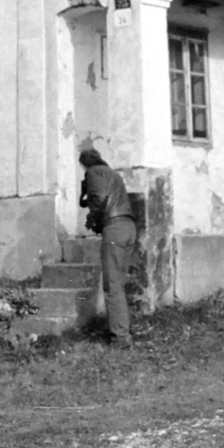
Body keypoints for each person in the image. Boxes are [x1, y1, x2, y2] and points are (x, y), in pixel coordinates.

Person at [79, 148, 137, 347]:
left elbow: (100, 198)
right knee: (118, 284)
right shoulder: (113, 174)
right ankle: (123, 330)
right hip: (129, 227)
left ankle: (120, 337)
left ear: (84, 164)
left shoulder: (93, 172)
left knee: (112, 286)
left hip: (114, 229)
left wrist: (91, 219)